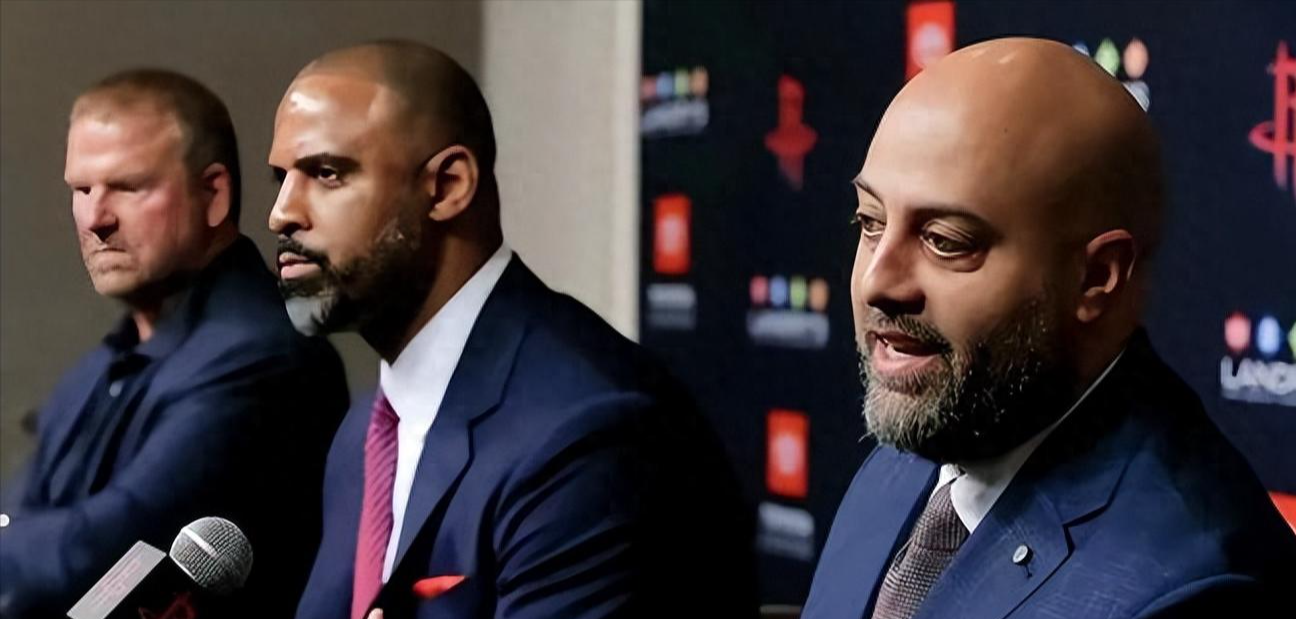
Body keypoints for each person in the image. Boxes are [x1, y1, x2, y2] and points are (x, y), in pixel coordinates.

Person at [803, 37, 1296, 619]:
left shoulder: (1189, 590)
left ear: (1095, 277)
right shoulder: (931, 435)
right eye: (870, 222)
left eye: (945, 242)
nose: (876, 283)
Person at [270, 41, 754, 619]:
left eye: (326, 174)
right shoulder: (363, 437)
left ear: (448, 186)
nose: (282, 213)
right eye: (281, 178)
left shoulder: (587, 432)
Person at [0, 69, 349, 618]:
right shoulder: (94, 374)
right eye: (81, 190)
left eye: (128, 187)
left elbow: (104, 551)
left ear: (214, 194)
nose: (96, 219)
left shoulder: (264, 357)